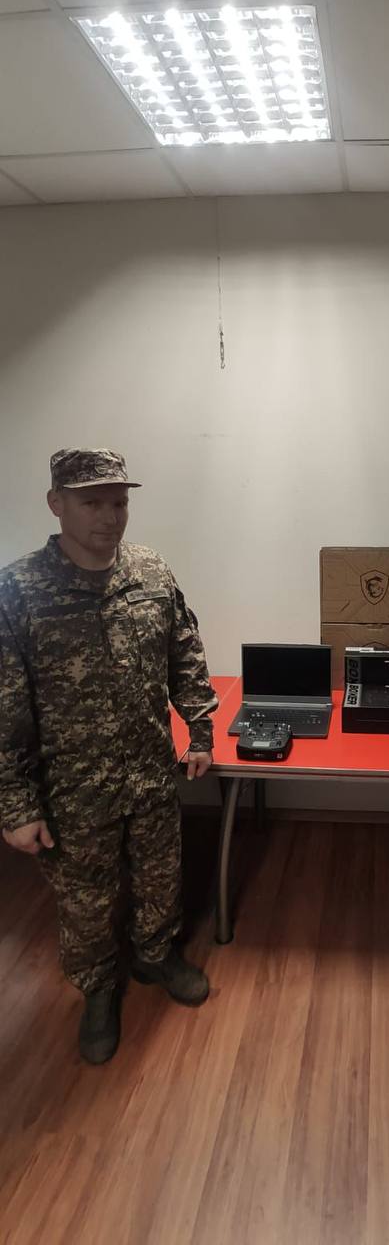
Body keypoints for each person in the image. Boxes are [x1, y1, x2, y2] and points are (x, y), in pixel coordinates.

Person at [0, 449, 219, 1065]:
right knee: (86, 900)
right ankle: (98, 989)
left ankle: (155, 955)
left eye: (119, 501)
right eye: (91, 501)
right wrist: (16, 806)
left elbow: (184, 653)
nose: (109, 515)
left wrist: (200, 729)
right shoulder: (18, 592)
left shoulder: (150, 572)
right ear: (56, 504)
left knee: (159, 876)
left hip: (149, 770)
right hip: (72, 788)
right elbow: (5, 708)